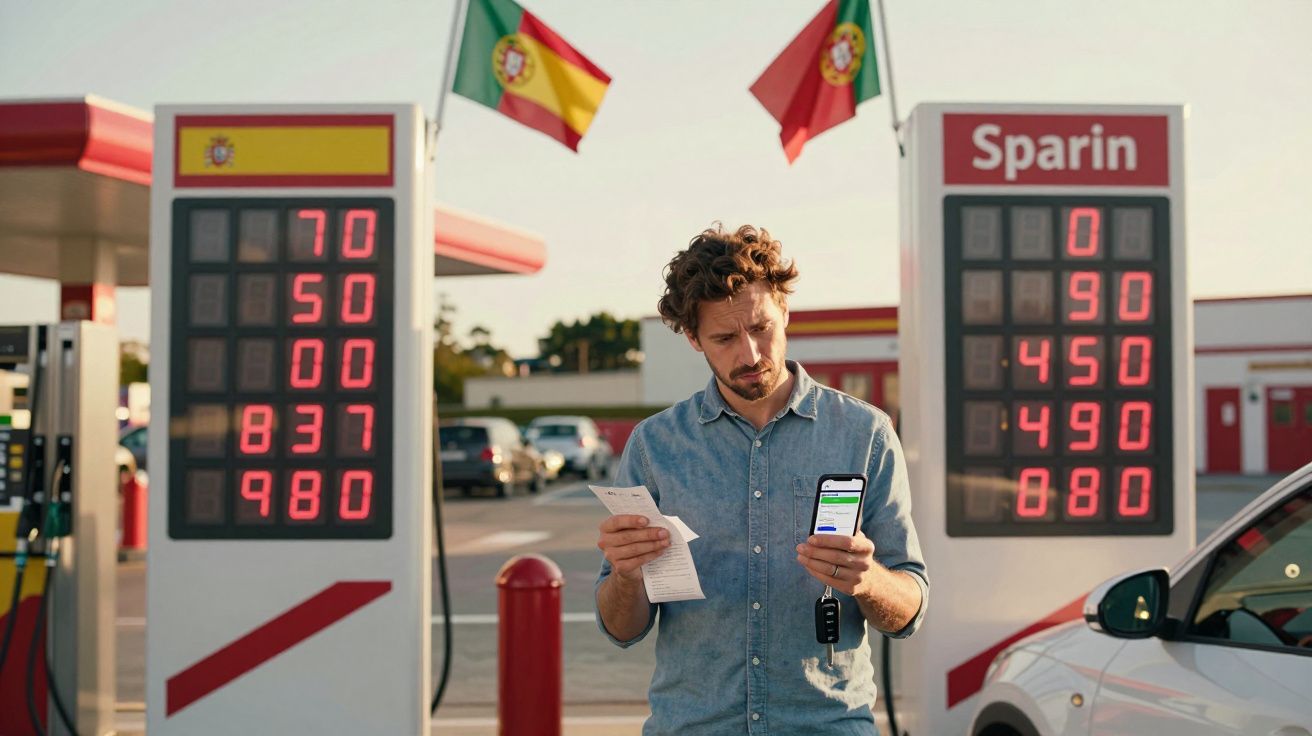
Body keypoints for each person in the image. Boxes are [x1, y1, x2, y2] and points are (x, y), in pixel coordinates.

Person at [594, 224, 928, 734]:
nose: (749, 354)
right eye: (724, 338)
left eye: (761, 327)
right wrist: (626, 575)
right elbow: (621, 629)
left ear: (785, 311)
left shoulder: (866, 434)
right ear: (693, 339)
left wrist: (869, 579)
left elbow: (908, 611)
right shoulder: (654, 446)